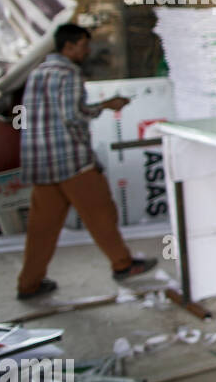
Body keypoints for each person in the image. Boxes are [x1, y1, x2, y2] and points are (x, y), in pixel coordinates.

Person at [15, 24, 157, 300]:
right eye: (83, 45)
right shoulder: (68, 73)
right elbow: (73, 115)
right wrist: (106, 106)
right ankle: (123, 265)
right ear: (68, 47)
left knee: (42, 228)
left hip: (42, 163)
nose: (87, 50)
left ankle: (28, 284)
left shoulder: (37, 73)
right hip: (71, 160)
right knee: (101, 214)